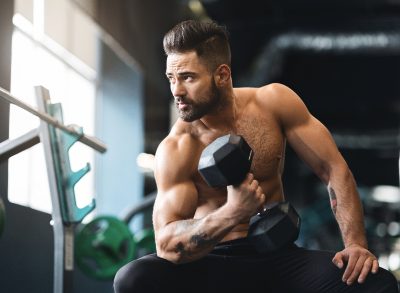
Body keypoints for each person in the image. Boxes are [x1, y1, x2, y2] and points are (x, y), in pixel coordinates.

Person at [114, 20, 398, 293]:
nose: (176, 90)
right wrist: (231, 213)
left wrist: (355, 244)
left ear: (222, 75)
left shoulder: (272, 103)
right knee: (133, 278)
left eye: (187, 77)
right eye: (171, 78)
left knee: (375, 282)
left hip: (277, 258)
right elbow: (166, 244)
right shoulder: (178, 147)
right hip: (210, 263)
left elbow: (333, 168)